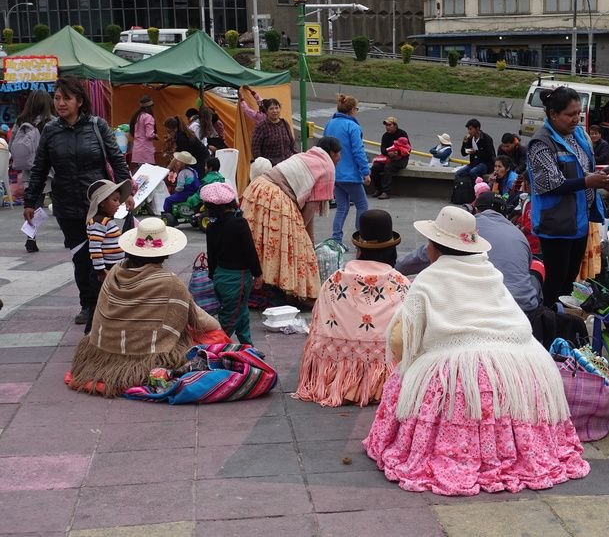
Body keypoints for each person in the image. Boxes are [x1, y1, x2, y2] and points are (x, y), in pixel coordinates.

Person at [363, 206, 590, 496]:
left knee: (407, 377)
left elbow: (400, 338)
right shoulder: (490, 273)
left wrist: (410, 366)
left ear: (434, 247)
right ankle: (510, 450)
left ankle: (454, 451)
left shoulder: (430, 278)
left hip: (461, 374)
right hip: (520, 366)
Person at [68, 217, 221, 397]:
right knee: (214, 338)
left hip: (105, 349)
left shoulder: (114, 272)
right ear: (165, 254)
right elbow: (199, 319)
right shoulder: (170, 282)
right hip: (148, 356)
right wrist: (218, 327)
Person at [23, 76, 132, 326]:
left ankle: (105, 301)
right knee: (82, 257)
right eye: (57, 98)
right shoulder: (50, 130)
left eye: (66, 98)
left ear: (80, 101)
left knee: (103, 254)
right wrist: (30, 201)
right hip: (67, 206)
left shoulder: (97, 126)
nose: (60, 103)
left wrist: (127, 193)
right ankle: (88, 304)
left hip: (100, 205)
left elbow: (116, 159)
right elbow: (40, 169)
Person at [294, 209, 410, 407]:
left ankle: (340, 380)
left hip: (336, 366)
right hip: (384, 364)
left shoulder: (334, 281)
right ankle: (375, 383)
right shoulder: (401, 284)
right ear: (392, 248)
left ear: (359, 247)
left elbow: (318, 325)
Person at [527, 86, 609, 307]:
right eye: (570, 114)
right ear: (553, 114)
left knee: (569, 282)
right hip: (556, 223)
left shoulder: (578, 136)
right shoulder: (541, 143)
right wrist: (588, 182)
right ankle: (547, 320)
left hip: (579, 220)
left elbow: (582, 169)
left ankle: (563, 320)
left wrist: (599, 177)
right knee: (555, 280)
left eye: (578, 113)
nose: (576, 119)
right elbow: (550, 184)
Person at [241, 138, 339, 302]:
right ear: (333, 154)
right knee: (293, 248)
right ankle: (296, 293)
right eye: (339, 154)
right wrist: (303, 236)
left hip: (257, 189)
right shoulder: (327, 168)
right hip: (275, 197)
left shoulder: (306, 157)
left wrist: (308, 237)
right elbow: (310, 208)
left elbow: (308, 205)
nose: (339, 159)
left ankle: (264, 286)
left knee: (263, 244)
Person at [202, 182, 263, 345]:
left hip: (220, 275)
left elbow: (211, 255)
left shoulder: (211, 227)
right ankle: (214, 348)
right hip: (237, 278)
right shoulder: (239, 224)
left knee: (241, 311)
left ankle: (247, 345)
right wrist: (257, 273)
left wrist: (213, 275)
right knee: (229, 319)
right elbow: (250, 251)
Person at [85, 179, 132, 334]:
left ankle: (108, 331)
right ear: (101, 203)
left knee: (112, 301)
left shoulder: (108, 221)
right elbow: (95, 248)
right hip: (104, 270)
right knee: (100, 303)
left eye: (118, 200)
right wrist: (100, 271)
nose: (118, 204)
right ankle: (90, 333)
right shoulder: (99, 223)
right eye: (114, 200)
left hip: (113, 268)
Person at [11, 89, 55, 253]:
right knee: (64, 204)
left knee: (33, 206)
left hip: (30, 172)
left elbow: (12, 145)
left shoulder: (20, 121)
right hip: (52, 171)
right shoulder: (52, 122)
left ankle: (31, 237)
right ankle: (71, 237)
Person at [324, 94, 371, 243]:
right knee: (362, 205)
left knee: (342, 207)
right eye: (356, 108)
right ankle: (361, 236)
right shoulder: (353, 126)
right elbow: (358, 151)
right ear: (351, 110)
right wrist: (365, 172)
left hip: (334, 173)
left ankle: (336, 238)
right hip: (350, 174)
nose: (357, 111)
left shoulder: (329, 124)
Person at [370, 116, 410, 200]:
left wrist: (397, 153)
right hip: (388, 157)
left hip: (401, 159)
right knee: (375, 167)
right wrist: (388, 153)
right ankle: (378, 189)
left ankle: (386, 192)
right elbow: (382, 149)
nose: (387, 127)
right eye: (386, 125)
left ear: (395, 125)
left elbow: (408, 149)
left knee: (388, 167)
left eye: (389, 125)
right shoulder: (385, 135)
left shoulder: (402, 134)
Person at [251, 98, 297, 165]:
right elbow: (255, 148)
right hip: (270, 165)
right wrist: (262, 164)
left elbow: (292, 143)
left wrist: (295, 156)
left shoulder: (284, 123)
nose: (275, 111)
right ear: (266, 111)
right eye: (271, 109)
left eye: (276, 108)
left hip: (287, 164)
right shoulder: (261, 127)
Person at [129, 95, 158, 171]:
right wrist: (155, 136)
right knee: (147, 173)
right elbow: (149, 135)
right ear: (149, 107)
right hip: (145, 151)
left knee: (140, 173)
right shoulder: (148, 117)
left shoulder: (137, 116)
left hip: (137, 150)